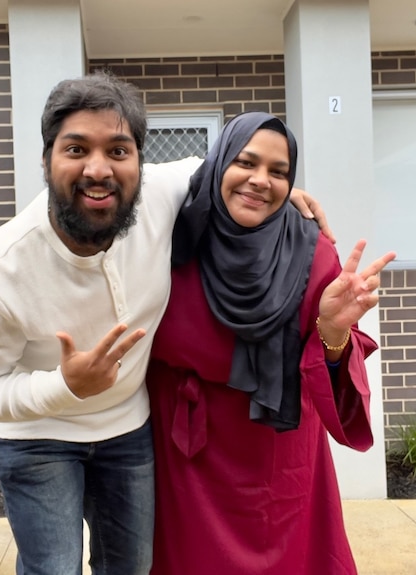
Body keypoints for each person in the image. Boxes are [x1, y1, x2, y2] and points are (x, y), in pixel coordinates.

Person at [0, 73, 330, 575]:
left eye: (119, 151)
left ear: (140, 164)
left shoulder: (161, 194)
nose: (99, 169)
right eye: (77, 149)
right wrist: (62, 387)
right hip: (36, 434)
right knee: (54, 569)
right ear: (46, 161)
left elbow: (223, 172)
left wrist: (280, 189)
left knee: (131, 568)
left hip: (126, 426)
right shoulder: (1, 267)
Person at [146, 111, 396, 575]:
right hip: (187, 461)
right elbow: (118, 177)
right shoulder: (170, 241)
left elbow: (336, 359)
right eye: (245, 162)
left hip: (280, 457)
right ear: (217, 164)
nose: (261, 181)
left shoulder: (312, 249)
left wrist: (334, 331)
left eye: (279, 172)